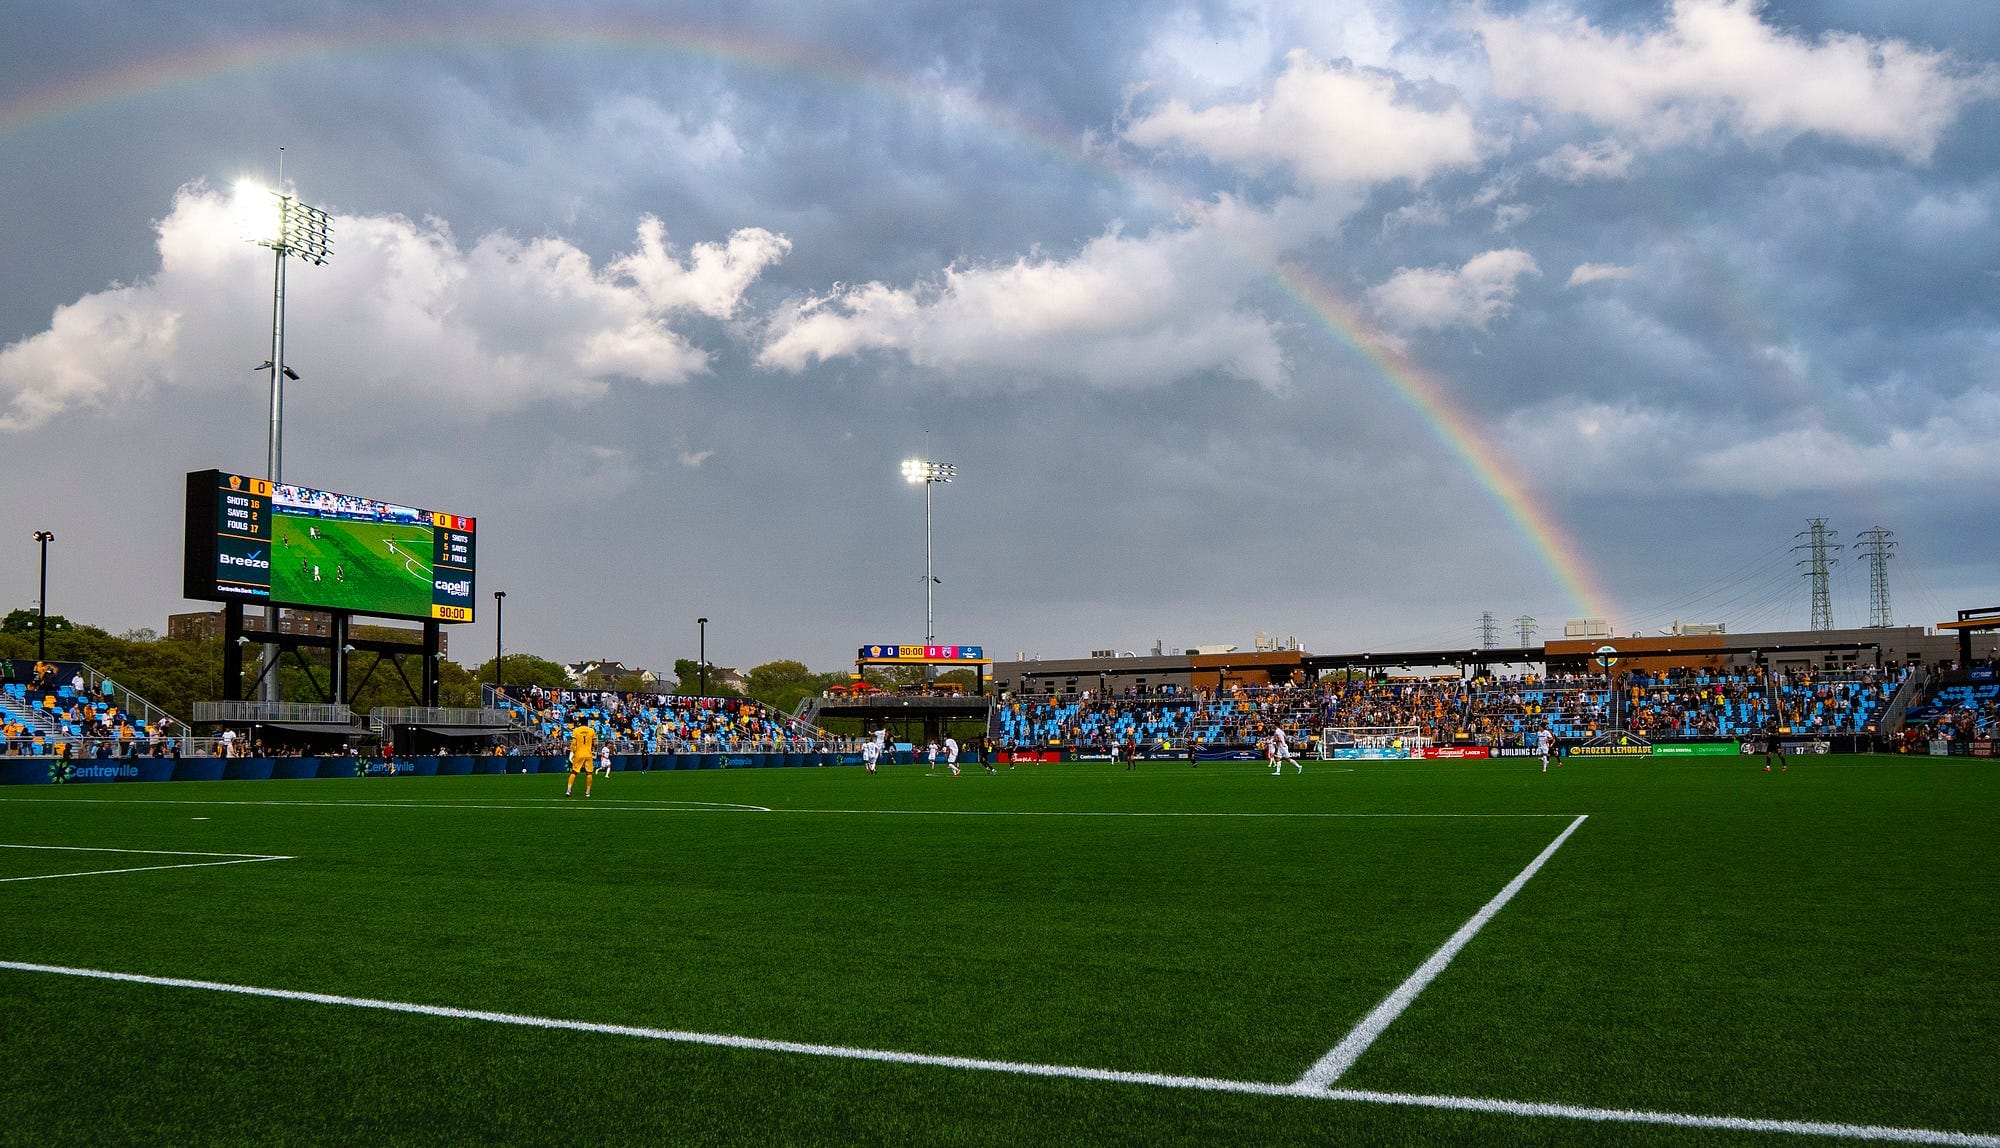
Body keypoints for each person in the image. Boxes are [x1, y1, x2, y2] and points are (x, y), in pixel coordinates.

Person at [566, 722, 597, 797]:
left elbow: (574, 743)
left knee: (574, 772)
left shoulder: (576, 730)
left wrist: (572, 752)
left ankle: (568, 791)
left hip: (579, 754)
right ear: (587, 723)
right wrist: (594, 750)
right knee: (589, 773)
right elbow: (595, 743)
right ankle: (587, 792)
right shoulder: (591, 730)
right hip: (588, 754)